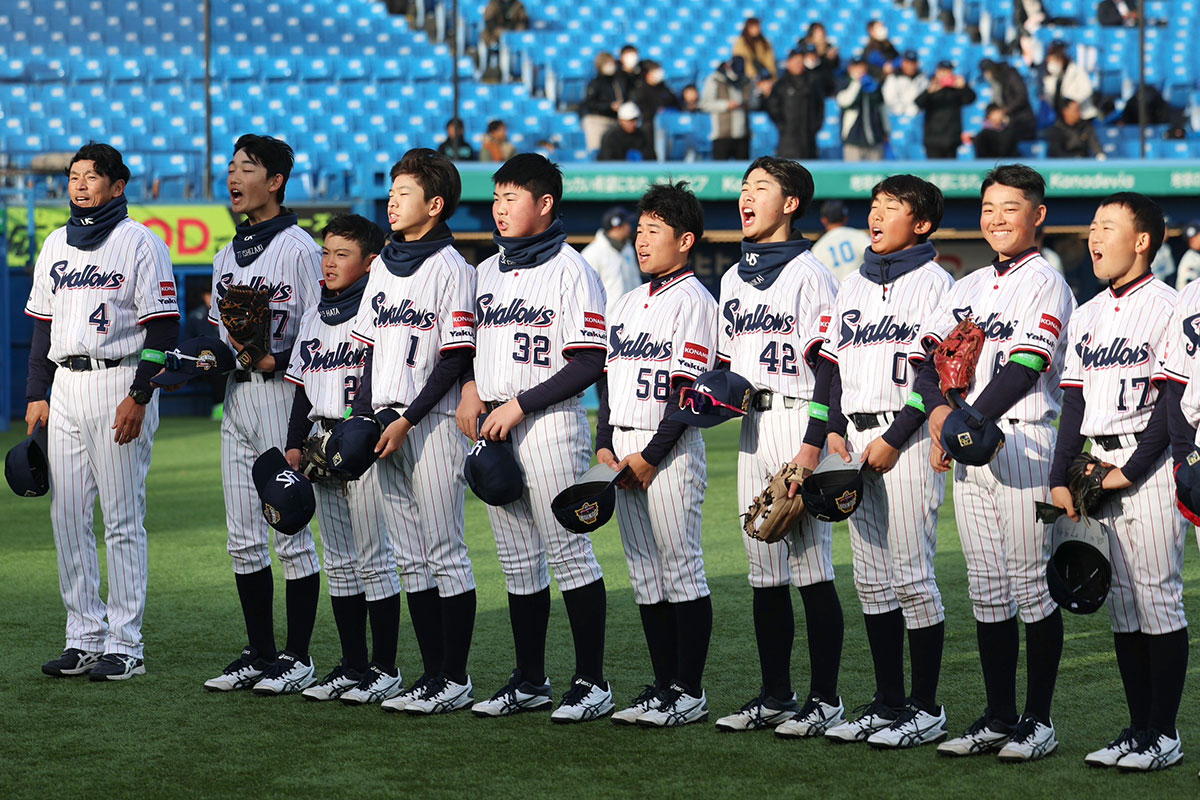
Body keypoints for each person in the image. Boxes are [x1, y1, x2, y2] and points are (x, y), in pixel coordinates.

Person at [916, 164, 1075, 762]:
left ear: (1037, 215)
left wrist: (965, 421)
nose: (997, 218)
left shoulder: (1047, 282)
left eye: (1011, 207)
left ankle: (1038, 720)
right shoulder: (967, 286)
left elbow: (1026, 365)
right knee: (986, 591)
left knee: (1032, 588)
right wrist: (938, 414)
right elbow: (926, 360)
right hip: (969, 447)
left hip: (1025, 443)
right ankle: (998, 715)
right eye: (988, 207)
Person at [457, 153, 612, 722]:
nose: (499, 209)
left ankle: (592, 682)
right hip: (495, 422)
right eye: (495, 198)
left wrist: (520, 404)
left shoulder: (574, 269)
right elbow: (467, 347)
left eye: (511, 198)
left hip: (548, 420)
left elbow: (589, 361)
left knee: (569, 551)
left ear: (545, 204)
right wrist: (471, 390)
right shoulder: (486, 272)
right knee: (518, 562)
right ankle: (529, 679)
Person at [800, 175, 953, 748]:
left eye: (893, 207)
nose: (877, 214)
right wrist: (833, 430)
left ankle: (925, 707)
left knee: (912, 576)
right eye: (875, 205)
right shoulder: (850, 285)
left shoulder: (940, 284)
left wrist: (895, 435)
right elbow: (833, 370)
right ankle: (889, 702)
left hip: (906, 438)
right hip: (854, 442)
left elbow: (934, 375)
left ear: (922, 224)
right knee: (871, 581)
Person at [26, 142, 179, 681]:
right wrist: (36, 393)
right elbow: (41, 328)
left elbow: (164, 328)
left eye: (93, 176)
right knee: (67, 516)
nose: (81, 184)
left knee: (120, 518)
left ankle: (126, 644)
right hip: (65, 383)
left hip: (120, 378)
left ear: (118, 186)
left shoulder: (141, 243)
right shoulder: (54, 244)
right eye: (74, 176)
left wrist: (140, 394)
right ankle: (84, 636)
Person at [1050, 193, 1188, 772]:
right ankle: (1137, 730)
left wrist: (1128, 471)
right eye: (1091, 227)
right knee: (1123, 606)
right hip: (1093, 470)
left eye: (1108, 226)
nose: (1094, 236)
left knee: (1157, 600)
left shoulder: (1170, 306)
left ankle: (1164, 733)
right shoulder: (1084, 313)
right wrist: (1060, 476)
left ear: (1142, 241)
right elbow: (1074, 406)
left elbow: (1173, 402)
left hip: (1148, 469)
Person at [712, 157, 845, 737]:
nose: (746, 197)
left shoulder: (810, 274)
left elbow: (827, 372)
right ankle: (775, 694)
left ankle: (825, 699)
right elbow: (723, 364)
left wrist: (813, 445)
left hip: (795, 423)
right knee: (763, 566)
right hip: (752, 427)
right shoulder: (731, 278)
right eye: (744, 188)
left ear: (790, 203)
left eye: (760, 188)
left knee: (812, 568)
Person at [349, 149, 480, 714]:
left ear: (434, 204)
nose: (391, 201)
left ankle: (454, 677)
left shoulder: (453, 267)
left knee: (445, 550)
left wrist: (405, 420)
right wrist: (362, 416)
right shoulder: (381, 264)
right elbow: (368, 350)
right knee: (409, 555)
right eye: (391, 191)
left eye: (404, 194)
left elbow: (453, 360)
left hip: (431, 422)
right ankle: (429, 674)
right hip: (386, 419)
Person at [202, 134, 324, 695]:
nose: (233, 177)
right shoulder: (225, 255)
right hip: (238, 397)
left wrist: (274, 359)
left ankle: (297, 657)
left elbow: (319, 333)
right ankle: (260, 651)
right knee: (242, 536)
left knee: (290, 529)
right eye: (230, 167)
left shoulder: (300, 248)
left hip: (283, 398)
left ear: (274, 181)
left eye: (246, 168)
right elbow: (226, 339)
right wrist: (208, 358)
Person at [597, 181, 718, 728]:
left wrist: (648, 456)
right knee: (646, 575)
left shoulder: (695, 301)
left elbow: (689, 394)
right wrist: (605, 442)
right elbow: (608, 381)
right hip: (623, 444)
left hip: (666, 450)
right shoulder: (625, 300)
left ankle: (688, 691)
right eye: (640, 231)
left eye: (654, 232)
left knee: (681, 570)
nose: (642, 242)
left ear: (685, 239)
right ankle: (663, 683)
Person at [281, 214, 404, 705]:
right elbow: (299, 390)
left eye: (342, 254)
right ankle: (353, 665)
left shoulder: (378, 312)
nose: (329, 263)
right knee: (340, 563)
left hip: (364, 442)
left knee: (375, 561)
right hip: (318, 440)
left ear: (370, 262)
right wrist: (294, 442)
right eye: (326, 252)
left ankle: (385, 668)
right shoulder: (314, 312)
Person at [580, 206, 641, 317]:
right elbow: (584, 293)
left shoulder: (628, 249)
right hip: (607, 320)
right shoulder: (593, 252)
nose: (630, 227)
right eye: (626, 223)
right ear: (616, 227)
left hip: (631, 317)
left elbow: (636, 281)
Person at [767, 47, 825, 161]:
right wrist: (782, 125)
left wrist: (815, 125)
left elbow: (820, 106)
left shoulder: (812, 82)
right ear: (789, 63)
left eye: (800, 61)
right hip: (788, 139)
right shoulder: (781, 84)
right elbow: (772, 107)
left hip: (808, 139)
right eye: (795, 61)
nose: (798, 64)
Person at [915, 60, 976, 159]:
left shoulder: (956, 90)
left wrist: (964, 87)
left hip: (951, 139)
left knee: (950, 172)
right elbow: (918, 103)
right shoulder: (932, 88)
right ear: (937, 72)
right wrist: (929, 91)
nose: (946, 75)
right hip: (933, 140)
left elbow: (971, 99)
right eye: (943, 71)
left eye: (948, 71)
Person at [700, 57, 752, 161]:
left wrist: (747, 103)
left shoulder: (745, 80)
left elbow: (753, 102)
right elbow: (704, 104)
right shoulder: (714, 79)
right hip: (722, 134)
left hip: (742, 133)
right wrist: (726, 105)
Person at [838, 57, 888, 161]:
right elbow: (845, 102)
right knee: (853, 174)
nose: (860, 70)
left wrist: (886, 130)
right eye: (857, 66)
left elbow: (881, 107)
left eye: (862, 66)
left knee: (876, 175)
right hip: (853, 140)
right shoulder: (844, 83)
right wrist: (857, 83)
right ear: (850, 68)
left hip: (874, 139)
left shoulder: (873, 83)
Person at [812, 199, 872, 282]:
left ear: (824, 220)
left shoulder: (818, 247)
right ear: (845, 218)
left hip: (835, 293)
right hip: (861, 290)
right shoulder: (859, 236)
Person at [980, 59, 1037, 141]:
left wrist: (1005, 110)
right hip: (1009, 122)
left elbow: (1021, 95)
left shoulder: (1010, 75)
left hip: (1022, 121)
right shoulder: (996, 82)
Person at [580, 52, 626, 153]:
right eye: (608, 63)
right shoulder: (595, 83)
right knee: (597, 151)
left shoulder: (616, 82)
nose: (612, 66)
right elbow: (589, 103)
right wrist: (609, 106)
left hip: (614, 121)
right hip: (597, 121)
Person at [1042, 41, 1097, 121]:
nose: (1051, 63)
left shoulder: (1077, 71)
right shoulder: (1050, 77)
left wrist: (1072, 104)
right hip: (1060, 118)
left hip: (1081, 118)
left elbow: (1087, 90)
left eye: (1054, 59)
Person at [632, 61, 678, 153]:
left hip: (665, 125)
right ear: (648, 73)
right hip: (649, 125)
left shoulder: (663, 87)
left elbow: (673, 101)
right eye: (655, 71)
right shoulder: (641, 90)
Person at [732, 16, 777, 89]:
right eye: (753, 27)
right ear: (747, 28)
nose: (756, 29)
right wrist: (753, 76)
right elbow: (741, 61)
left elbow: (770, 62)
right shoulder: (740, 43)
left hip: (764, 77)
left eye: (758, 26)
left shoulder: (765, 43)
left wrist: (770, 77)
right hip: (748, 79)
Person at [882, 51, 929, 118]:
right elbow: (890, 98)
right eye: (907, 63)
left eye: (913, 63)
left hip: (918, 117)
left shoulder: (923, 78)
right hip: (897, 117)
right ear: (902, 63)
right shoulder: (893, 78)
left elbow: (924, 97)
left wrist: (915, 109)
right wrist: (904, 110)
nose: (910, 66)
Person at [801, 22, 840, 91]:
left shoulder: (829, 48)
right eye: (818, 33)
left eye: (823, 33)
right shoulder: (804, 47)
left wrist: (832, 59)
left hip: (825, 85)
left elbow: (835, 65)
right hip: (807, 84)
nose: (821, 36)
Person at [1173, 220, 1200, 290]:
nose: (1194, 240)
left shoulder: (1196, 256)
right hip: (1189, 298)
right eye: (1192, 239)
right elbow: (1191, 287)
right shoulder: (1190, 259)